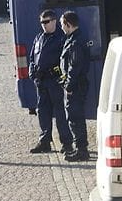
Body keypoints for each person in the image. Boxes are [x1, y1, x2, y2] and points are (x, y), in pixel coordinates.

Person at [27, 9, 71, 154]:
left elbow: (65, 61)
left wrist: (61, 78)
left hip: (54, 81)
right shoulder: (39, 37)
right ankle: (45, 141)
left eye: (46, 22)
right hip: (41, 81)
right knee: (43, 112)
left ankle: (66, 143)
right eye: (42, 22)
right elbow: (32, 57)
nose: (43, 25)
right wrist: (32, 74)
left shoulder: (61, 38)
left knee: (60, 113)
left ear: (53, 21)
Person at [59, 11, 90, 161]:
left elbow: (74, 67)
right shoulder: (72, 39)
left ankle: (82, 150)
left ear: (68, 24)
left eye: (62, 24)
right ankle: (80, 148)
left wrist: (69, 87)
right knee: (74, 117)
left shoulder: (76, 42)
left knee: (75, 118)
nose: (61, 27)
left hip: (76, 86)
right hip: (74, 84)